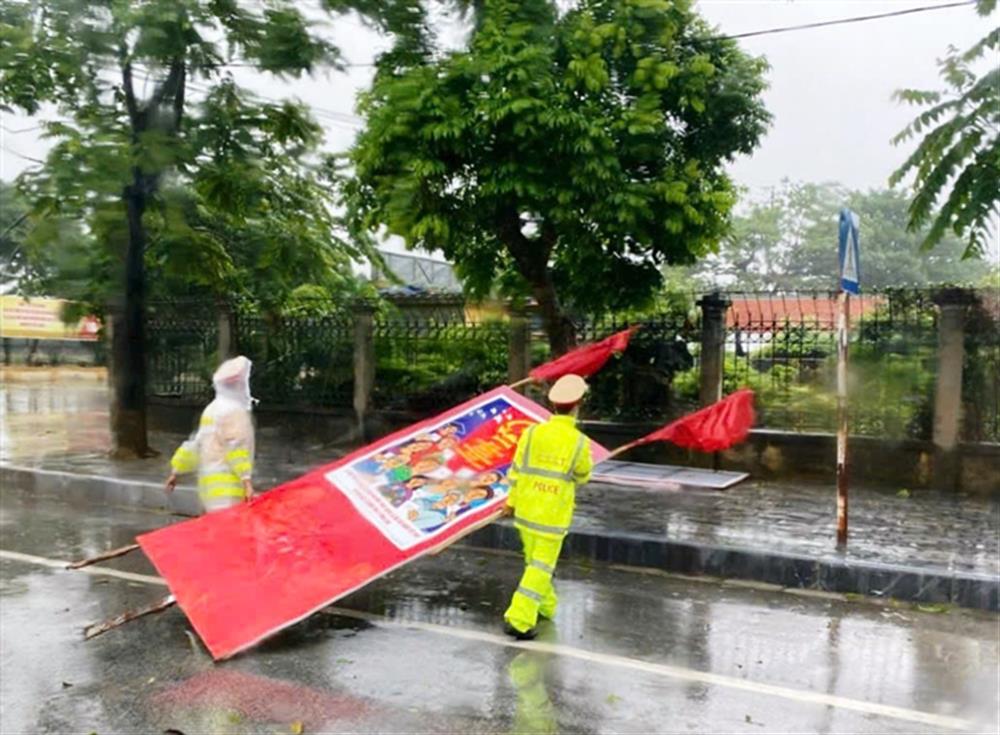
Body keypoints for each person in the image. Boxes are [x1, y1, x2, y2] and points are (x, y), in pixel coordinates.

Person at [502, 373, 593, 640]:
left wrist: (511, 503)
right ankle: (519, 619)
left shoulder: (531, 433)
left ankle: (546, 606)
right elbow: (583, 475)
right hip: (552, 517)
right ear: (578, 405)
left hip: (526, 511)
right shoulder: (579, 442)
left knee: (535, 564)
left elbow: (516, 470)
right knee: (541, 568)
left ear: (552, 405)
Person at [164, 356, 257, 513]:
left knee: (213, 533)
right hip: (229, 487)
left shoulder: (211, 409)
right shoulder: (235, 411)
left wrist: (176, 471)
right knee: (227, 533)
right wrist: (246, 481)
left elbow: (196, 443)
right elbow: (236, 448)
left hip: (209, 487)